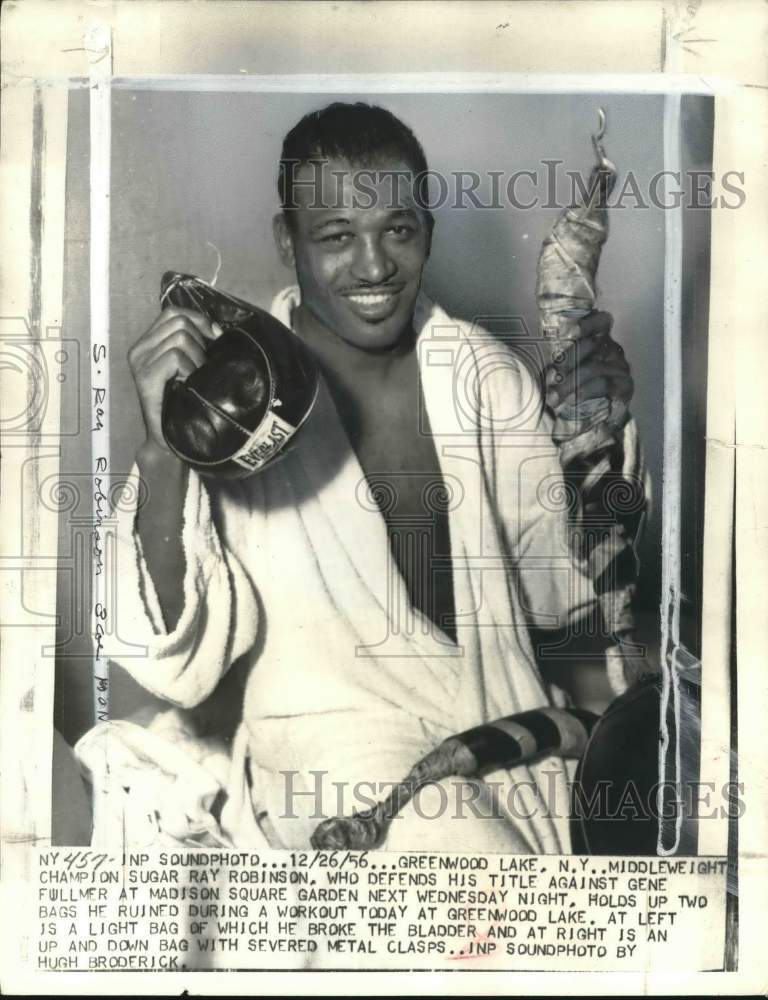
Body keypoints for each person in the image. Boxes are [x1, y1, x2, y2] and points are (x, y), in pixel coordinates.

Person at [91, 102, 638, 853]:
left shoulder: (479, 372)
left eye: (398, 231)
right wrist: (161, 451)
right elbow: (171, 666)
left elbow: (561, 601)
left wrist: (597, 454)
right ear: (289, 241)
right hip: (336, 767)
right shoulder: (236, 399)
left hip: (507, 742)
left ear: (428, 233)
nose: (375, 267)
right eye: (337, 237)